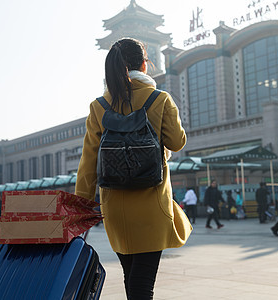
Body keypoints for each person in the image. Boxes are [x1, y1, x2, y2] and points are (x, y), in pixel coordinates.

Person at [74, 38, 192, 300]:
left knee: (133, 279)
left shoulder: (99, 106)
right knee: (143, 284)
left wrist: (81, 207)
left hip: (115, 208)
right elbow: (177, 141)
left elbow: (88, 162)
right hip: (151, 204)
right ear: (143, 65)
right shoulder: (160, 99)